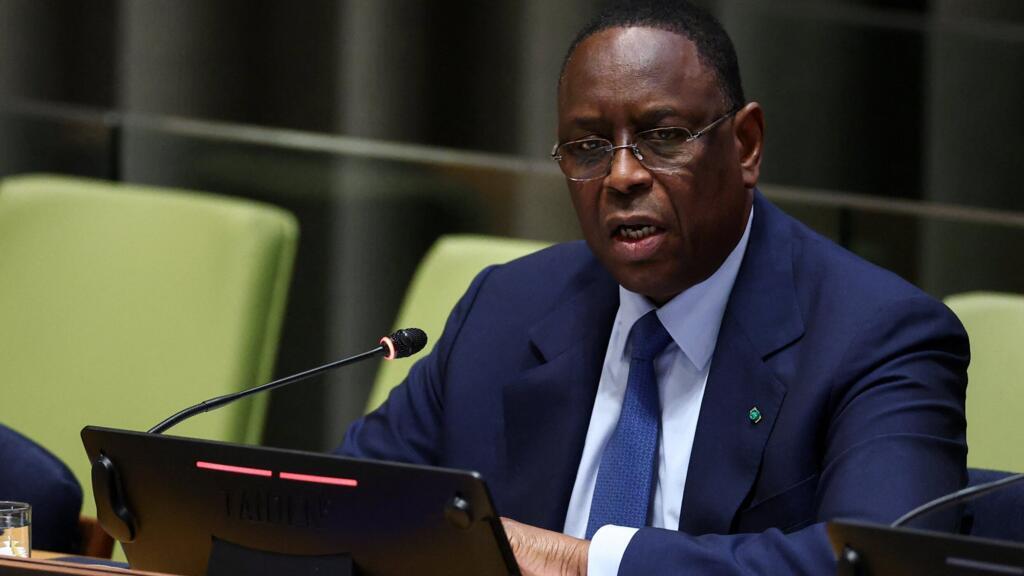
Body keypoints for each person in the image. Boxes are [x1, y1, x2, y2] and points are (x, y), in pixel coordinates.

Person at [338, 2, 969, 574]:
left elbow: (885, 564)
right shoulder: (504, 307)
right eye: (588, 147)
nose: (621, 176)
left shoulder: (878, 336)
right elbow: (347, 508)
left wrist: (588, 563)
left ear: (746, 145)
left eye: (663, 137)